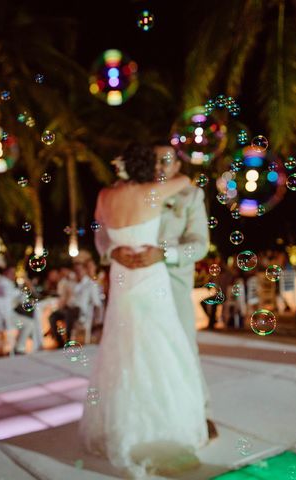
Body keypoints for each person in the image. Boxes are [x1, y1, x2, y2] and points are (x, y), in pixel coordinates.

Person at [79, 143, 207, 477]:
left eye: (167, 159)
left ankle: (189, 413)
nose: (162, 165)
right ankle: (163, 424)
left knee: (175, 351)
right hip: (146, 282)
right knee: (149, 352)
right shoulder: (155, 189)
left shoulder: (189, 196)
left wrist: (164, 252)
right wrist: (112, 252)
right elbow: (100, 236)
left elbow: (201, 243)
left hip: (171, 281)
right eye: (157, 159)